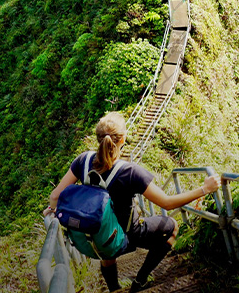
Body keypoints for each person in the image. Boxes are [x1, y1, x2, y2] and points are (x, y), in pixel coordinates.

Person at [44, 112, 221, 292]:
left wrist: (51, 209)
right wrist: (204, 189)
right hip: (129, 236)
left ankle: (115, 289)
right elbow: (166, 203)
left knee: (105, 234)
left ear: (98, 138)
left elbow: (55, 197)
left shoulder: (83, 160)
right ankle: (140, 280)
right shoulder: (130, 172)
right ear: (123, 139)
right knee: (172, 227)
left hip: (95, 237)